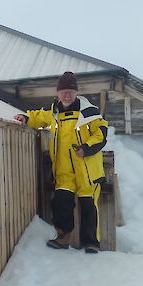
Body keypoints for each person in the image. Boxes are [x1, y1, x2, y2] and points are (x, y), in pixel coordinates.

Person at [13, 72, 108, 253]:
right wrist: (25, 118)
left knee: (89, 207)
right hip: (64, 172)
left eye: (70, 92)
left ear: (76, 92)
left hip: (87, 172)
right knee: (61, 204)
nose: (67, 95)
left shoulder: (90, 112)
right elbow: (37, 117)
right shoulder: (53, 113)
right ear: (58, 93)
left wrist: (86, 148)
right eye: (63, 91)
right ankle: (63, 238)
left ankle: (91, 243)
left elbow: (101, 134)